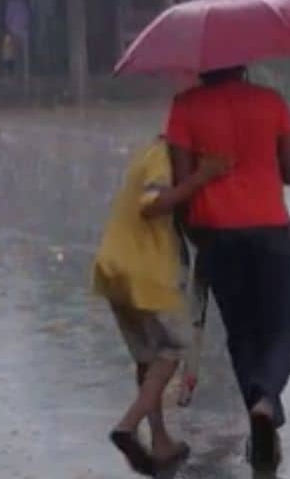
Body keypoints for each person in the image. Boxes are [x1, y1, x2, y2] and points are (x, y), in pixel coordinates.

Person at [165, 65, 290, 473]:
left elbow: (182, 183)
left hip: (217, 235)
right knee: (283, 328)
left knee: (243, 334)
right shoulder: (271, 102)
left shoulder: (185, 107)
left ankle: (260, 416)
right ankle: (266, 403)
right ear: (242, 63)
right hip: (271, 230)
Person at [91, 136, 229, 477]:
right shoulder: (163, 158)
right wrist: (202, 177)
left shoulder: (150, 152)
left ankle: (160, 439)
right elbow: (151, 203)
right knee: (174, 347)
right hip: (149, 271)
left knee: (148, 358)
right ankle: (128, 424)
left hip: (116, 266)